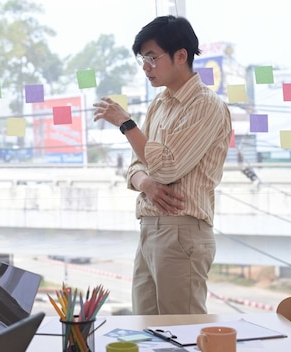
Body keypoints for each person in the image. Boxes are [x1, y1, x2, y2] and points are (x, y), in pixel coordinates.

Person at [93, 16, 232, 315]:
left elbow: (167, 167)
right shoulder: (159, 104)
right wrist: (146, 184)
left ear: (181, 56)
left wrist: (126, 123)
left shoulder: (206, 105)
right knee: (146, 329)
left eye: (152, 58)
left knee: (182, 331)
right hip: (149, 227)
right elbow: (135, 166)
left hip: (181, 229)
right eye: (143, 59)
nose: (146, 67)